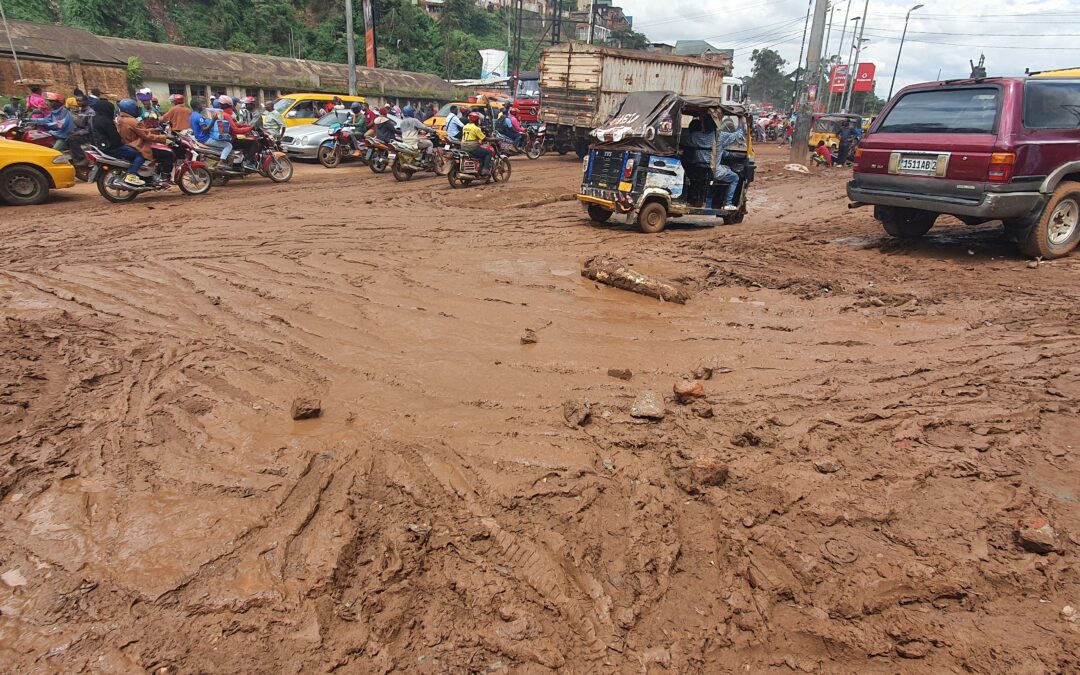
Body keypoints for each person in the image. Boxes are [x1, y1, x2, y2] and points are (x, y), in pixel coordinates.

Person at [116, 98, 172, 187]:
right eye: (135, 108)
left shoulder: (121, 119)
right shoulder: (132, 121)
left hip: (129, 143)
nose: (137, 109)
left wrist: (153, 129)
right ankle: (164, 178)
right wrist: (164, 138)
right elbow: (146, 136)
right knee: (167, 154)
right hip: (137, 145)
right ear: (129, 109)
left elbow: (141, 131)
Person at [189, 97, 233, 164]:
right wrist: (213, 120)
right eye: (203, 104)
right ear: (198, 105)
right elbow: (205, 130)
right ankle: (221, 162)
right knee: (228, 145)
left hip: (199, 138)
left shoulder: (192, 115)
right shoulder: (199, 117)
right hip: (206, 139)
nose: (204, 106)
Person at [221, 98, 257, 170]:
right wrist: (249, 128)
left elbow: (234, 124)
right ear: (231, 106)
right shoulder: (227, 115)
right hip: (231, 139)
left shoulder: (222, 114)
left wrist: (245, 126)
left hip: (225, 138)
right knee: (254, 143)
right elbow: (235, 130)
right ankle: (249, 163)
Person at [461, 111, 493, 176]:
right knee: (488, 153)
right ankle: (485, 169)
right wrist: (493, 139)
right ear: (476, 120)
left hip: (463, 146)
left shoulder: (465, 126)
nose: (479, 121)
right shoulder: (476, 128)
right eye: (478, 119)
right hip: (472, 147)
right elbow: (484, 138)